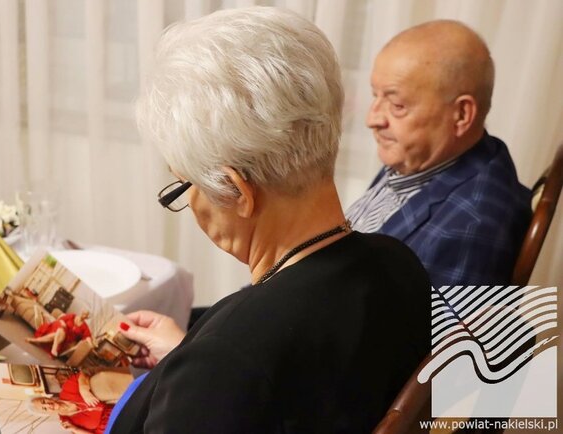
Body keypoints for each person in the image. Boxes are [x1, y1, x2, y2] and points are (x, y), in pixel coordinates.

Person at [107, 7, 430, 433]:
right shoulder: (399, 264)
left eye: (183, 185)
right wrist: (190, 359)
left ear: (237, 191)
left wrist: (203, 372)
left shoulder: (227, 361)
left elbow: (255, 370)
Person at [345, 20, 531, 288]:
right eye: (376, 96)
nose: (372, 119)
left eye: (397, 105)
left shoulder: (469, 228)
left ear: (461, 115)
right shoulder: (418, 156)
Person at [29, 368, 133, 434]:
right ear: (46, 414)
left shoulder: (66, 391)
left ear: (46, 397)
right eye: (44, 408)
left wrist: (84, 389)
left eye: (43, 401)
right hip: (116, 424)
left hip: (113, 401)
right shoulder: (67, 422)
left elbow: (82, 373)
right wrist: (75, 429)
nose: (48, 405)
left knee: (97, 384)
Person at [26, 310, 92, 357]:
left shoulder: (84, 326)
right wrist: (63, 323)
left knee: (58, 333)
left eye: (86, 315)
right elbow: (61, 319)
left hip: (67, 338)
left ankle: (35, 340)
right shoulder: (72, 316)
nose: (84, 315)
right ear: (82, 312)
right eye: (84, 313)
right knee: (61, 329)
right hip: (60, 329)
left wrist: (90, 345)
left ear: (87, 317)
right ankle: (54, 349)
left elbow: (88, 337)